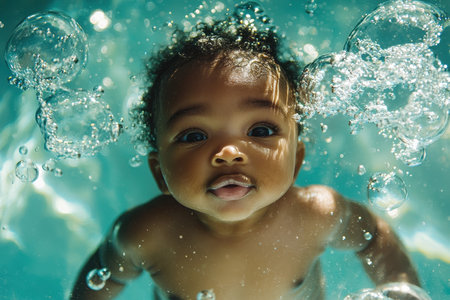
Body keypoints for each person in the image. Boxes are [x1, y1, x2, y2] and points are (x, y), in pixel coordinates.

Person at [70, 18, 420, 300]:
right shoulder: (147, 233)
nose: (229, 152)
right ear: (160, 172)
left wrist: (401, 287)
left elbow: (373, 236)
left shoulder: (315, 215)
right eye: (195, 136)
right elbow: (103, 276)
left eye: (261, 131)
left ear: (296, 161)